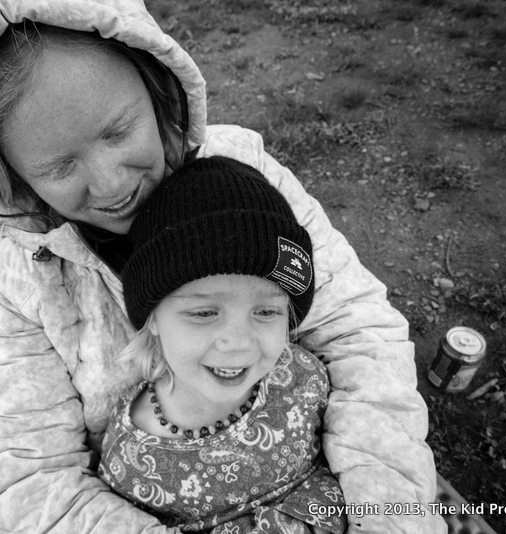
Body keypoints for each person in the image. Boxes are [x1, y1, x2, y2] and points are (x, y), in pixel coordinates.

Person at [0, 1, 444, 533]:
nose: (114, 185)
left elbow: (357, 333)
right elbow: (32, 485)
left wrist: (389, 510)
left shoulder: (245, 174)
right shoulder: (2, 279)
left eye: (119, 131)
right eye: (59, 166)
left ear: (156, 81)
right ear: (3, 174)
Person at [98, 156, 347, 534]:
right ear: (153, 322)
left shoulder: (301, 378)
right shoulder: (131, 462)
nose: (237, 343)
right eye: (203, 313)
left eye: (266, 312)